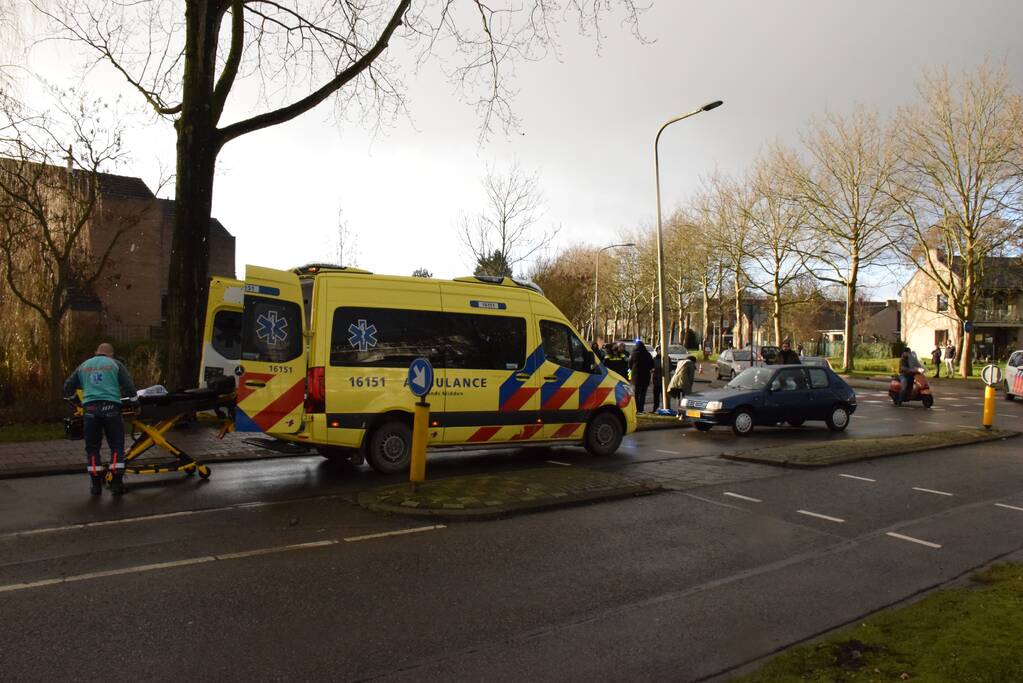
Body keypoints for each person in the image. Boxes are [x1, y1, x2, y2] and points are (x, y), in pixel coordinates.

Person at [64, 342, 137, 496]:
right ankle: (116, 484)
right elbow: (129, 385)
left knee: (92, 447)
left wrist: (76, 401)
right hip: (111, 408)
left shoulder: (83, 366)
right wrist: (135, 402)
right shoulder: (115, 364)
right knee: (116, 445)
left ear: (96, 352)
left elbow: (67, 387)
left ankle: (96, 485)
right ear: (110, 354)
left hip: (90, 410)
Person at [629, 340, 654, 413]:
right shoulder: (647, 354)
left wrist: (633, 370)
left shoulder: (634, 354)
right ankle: (641, 408)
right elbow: (651, 365)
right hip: (645, 377)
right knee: (643, 393)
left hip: (635, 377)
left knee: (636, 393)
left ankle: (636, 408)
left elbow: (629, 365)